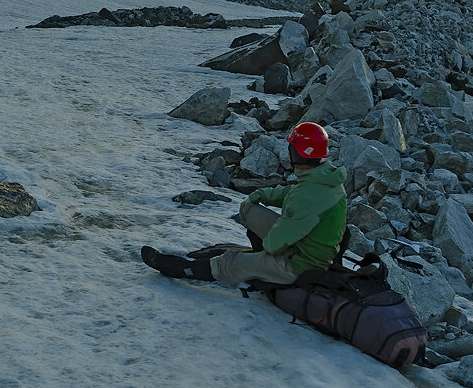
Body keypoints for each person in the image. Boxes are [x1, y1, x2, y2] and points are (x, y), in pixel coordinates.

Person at [141, 122, 347, 285]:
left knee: (233, 262)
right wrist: (263, 195)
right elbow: (292, 192)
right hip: (304, 246)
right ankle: (259, 261)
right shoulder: (324, 179)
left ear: (301, 153)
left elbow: (274, 244)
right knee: (248, 210)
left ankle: (183, 268)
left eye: (292, 149)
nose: (289, 154)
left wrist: (266, 253)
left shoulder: (310, 195)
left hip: (300, 266)